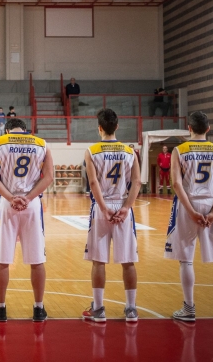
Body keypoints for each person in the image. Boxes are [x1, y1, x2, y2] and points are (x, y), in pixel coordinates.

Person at [165, 111, 213, 322]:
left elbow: (176, 184)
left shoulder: (179, 150)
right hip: (210, 203)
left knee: (186, 260)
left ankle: (189, 308)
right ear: (208, 129)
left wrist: (190, 211)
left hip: (187, 203)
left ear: (189, 128)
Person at [0, 117, 53, 322]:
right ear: (25, 130)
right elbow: (49, 177)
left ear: (7, 130)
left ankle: (1, 309)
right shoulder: (42, 144)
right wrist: (29, 198)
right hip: (31, 204)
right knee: (37, 260)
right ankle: (38, 308)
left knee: (3, 259)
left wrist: (10, 198)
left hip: (7, 203)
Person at [81, 109, 141, 323]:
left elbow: (94, 183)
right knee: (128, 261)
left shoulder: (92, 151)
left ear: (99, 128)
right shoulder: (129, 151)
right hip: (123, 205)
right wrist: (126, 207)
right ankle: (131, 309)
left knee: (98, 261)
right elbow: (136, 182)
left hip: (102, 206)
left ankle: (98, 309)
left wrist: (105, 208)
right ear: (117, 126)